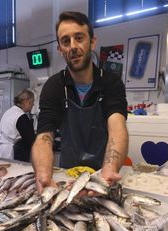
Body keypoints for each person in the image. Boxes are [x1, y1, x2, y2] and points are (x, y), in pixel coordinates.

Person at [32, 11, 128, 194]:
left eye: (79, 38)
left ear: (92, 42)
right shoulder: (54, 86)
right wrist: (43, 173)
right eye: (66, 41)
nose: (73, 46)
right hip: (67, 176)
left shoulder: (111, 82)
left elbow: (117, 126)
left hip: (103, 173)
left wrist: (110, 169)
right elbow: (44, 136)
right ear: (60, 49)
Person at [0, 89, 35, 162]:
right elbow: (30, 139)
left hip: (0, 150)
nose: (33, 105)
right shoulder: (21, 116)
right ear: (26, 102)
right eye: (32, 103)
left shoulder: (9, 111)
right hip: (10, 153)